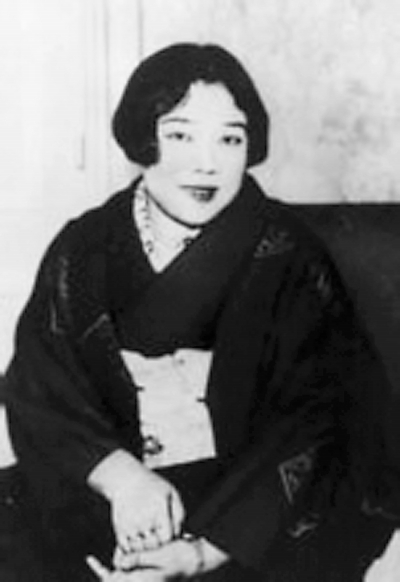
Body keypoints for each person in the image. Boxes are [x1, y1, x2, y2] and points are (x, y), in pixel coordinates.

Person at [4, 42, 395, 582]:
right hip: (112, 483)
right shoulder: (85, 246)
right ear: (143, 138)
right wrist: (123, 480)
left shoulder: (289, 254)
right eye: (180, 135)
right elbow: (38, 385)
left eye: (230, 138)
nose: (207, 163)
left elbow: (316, 417)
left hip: (248, 505)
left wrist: (202, 552)